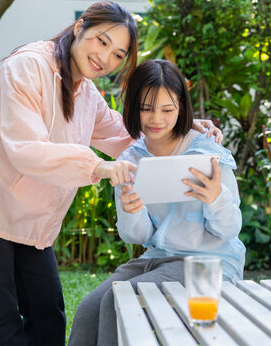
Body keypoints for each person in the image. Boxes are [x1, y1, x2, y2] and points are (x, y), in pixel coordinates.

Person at [0, 2, 220, 346]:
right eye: (102, 42)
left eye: (118, 54)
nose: (106, 58)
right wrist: (96, 166)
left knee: (48, 317)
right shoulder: (28, 66)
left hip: (28, 223)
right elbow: (24, 147)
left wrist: (181, 128)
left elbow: (126, 135)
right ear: (80, 27)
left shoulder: (85, 92)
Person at [68, 59, 246, 346]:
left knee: (118, 300)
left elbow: (229, 230)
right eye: (146, 108)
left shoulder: (208, 151)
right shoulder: (130, 159)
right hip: (156, 259)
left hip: (205, 262)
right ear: (134, 107)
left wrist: (216, 199)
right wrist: (132, 211)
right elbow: (136, 236)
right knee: (90, 308)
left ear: (181, 108)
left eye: (167, 109)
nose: (156, 119)